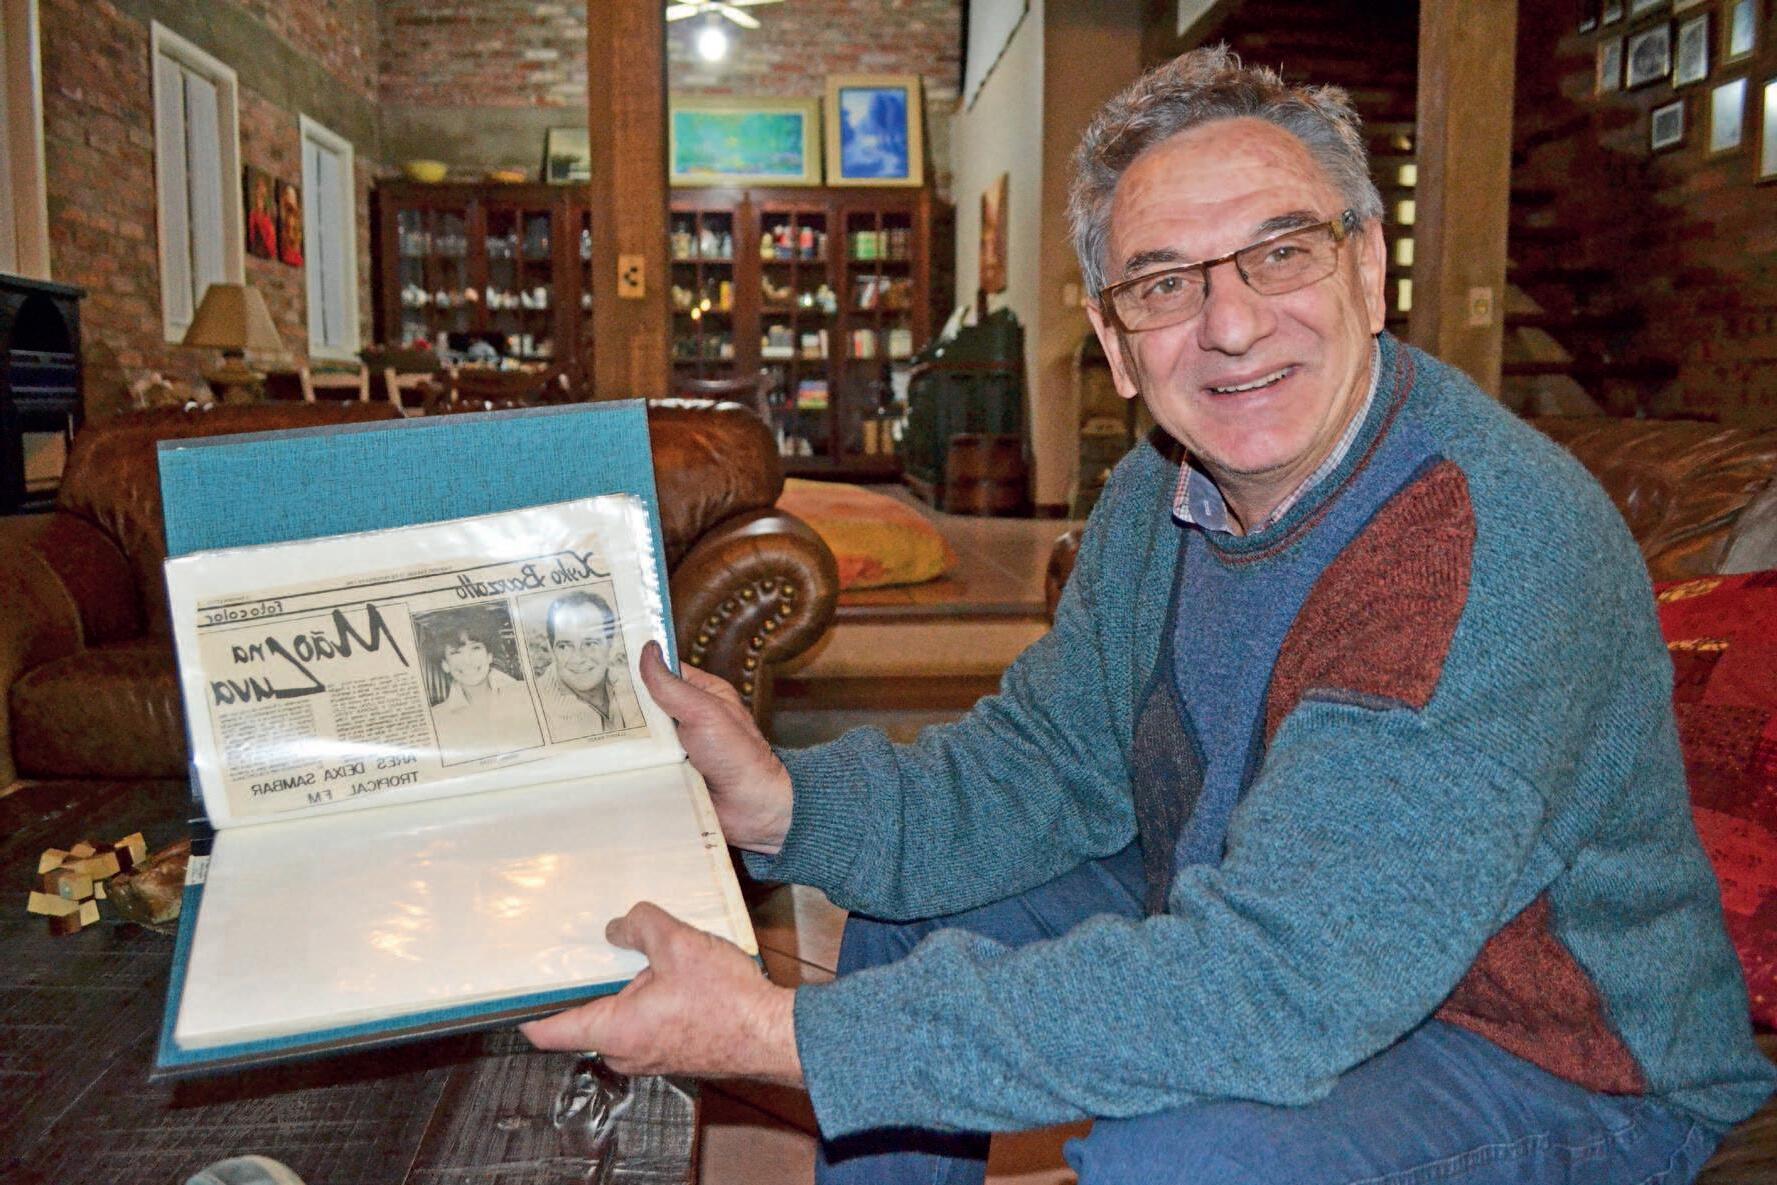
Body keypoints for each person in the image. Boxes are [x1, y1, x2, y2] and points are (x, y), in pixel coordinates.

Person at [524, 48, 1776, 1184]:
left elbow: (1284, 984)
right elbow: (1046, 766)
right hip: (1259, 905)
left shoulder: (1478, 545)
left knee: (1184, 1158)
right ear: (1118, 344)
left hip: (1552, 1054)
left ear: (1367, 271)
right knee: (920, 909)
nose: (1230, 325)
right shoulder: (1154, 493)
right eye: (1165, 284)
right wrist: (783, 803)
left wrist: (776, 1032)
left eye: (1281, 253)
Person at [428, 620, 541, 761]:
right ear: (445, 665)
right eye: (456, 652)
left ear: (489, 656)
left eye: (475, 648)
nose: (468, 660)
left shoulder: (527, 694)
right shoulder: (437, 719)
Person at [534, 590, 639, 740]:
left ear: (610, 644)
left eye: (590, 643)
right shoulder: (534, 709)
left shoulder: (630, 685)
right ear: (552, 650)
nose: (578, 658)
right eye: (564, 646)